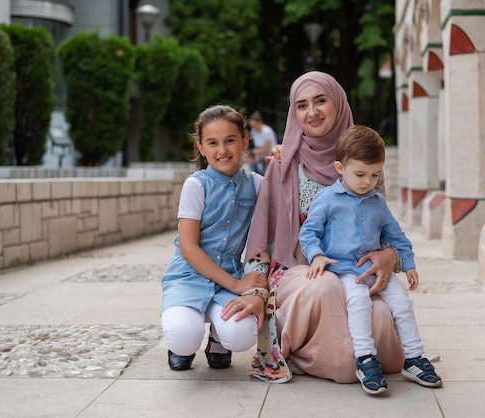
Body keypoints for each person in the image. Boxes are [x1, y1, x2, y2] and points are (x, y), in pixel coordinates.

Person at [237, 71, 405, 384]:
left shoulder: (363, 163)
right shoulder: (282, 163)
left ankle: (324, 357)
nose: (311, 112)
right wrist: (256, 289)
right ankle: (333, 359)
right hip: (297, 272)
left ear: (338, 103)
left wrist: (390, 256)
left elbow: (384, 232)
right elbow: (262, 240)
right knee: (324, 288)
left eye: (320, 101)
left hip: (352, 272)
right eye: (301, 105)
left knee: (380, 319)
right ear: (293, 112)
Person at [299, 125, 443, 394]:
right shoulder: (327, 199)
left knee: (402, 304)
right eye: (360, 174)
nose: (368, 181)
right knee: (359, 302)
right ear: (340, 168)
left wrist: (409, 264)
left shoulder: (377, 202)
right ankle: (365, 358)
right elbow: (309, 232)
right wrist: (316, 255)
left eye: (375, 174)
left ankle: (414, 358)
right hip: (345, 271)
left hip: (377, 272)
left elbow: (397, 236)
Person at [160, 105, 267, 372]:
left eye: (230, 140)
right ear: (201, 148)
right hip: (189, 275)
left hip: (228, 279)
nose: (222, 150)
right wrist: (237, 284)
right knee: (184, 338)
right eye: (213, 143)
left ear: (244, 141)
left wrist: (283, 158)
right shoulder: (196, 185)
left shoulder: (256, 184)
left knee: (242, 336)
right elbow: (188, 248)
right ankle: (181, 341)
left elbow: (289, 194)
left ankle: (218, 339)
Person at [248, 111, 279, 175]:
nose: (253, 127)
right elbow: (257, 146)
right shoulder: (253, 131)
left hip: (271, 156)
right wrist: (256, 156)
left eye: (254, 125)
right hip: (262, 156)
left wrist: (253, 152)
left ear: (259, 123)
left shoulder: (267, 131)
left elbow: (265, 149)